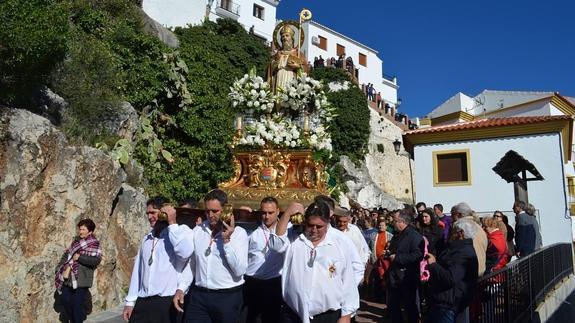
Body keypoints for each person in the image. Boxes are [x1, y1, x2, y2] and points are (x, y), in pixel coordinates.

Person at [168, 189, 248, 323]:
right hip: (199, 296)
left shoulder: (239, 234)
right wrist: (181, 288)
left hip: (227, 297)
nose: (210, 215)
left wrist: (226, 241)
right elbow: (192, 264)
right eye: (207, 211)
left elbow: (239, 270)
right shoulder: (198, 231)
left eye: (215, 211)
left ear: (226, 209)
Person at [277, 201, 360, 323]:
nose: (314, 230)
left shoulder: (339, 244)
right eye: (310, 225)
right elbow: (277, 244)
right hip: (294, 315)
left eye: (319, 226)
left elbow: (348, 281)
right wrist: (288, 213)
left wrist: (346, 315)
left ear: (327, 223)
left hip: (327, 317)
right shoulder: (294, 241)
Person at [123, 197, 186, 323]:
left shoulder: (178, 234)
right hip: (143, 300)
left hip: (166, 302)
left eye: (153, 213)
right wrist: (130, 301)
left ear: (164, 213)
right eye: (148, 213)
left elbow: (185, 253)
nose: (149, 216)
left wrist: (172, 222)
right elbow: (138, 271)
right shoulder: (146, 239)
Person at [424, 220, 479, 323]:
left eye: (453, 231)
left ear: (460, 233)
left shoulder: (462, 252)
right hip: (444, 300)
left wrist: (433, 265)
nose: (449, 233)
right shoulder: (458, 248)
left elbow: (450, 278)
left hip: (447, 303)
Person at [243, 197, 286, 323]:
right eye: (263, 212)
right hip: (251, 283)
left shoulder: (286, 231)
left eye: (270, 213)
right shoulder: (251, 230)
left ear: (278, 211)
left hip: (273, 284)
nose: (266, 216)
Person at [55, 218, 102, 323]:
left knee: (77, 306)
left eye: (83, 229)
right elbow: (67, 255)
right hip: (68, 276)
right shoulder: (76, 242)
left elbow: (96, 261)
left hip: (82, 279)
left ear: (90, 231)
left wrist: (80, 257)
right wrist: (59, 268)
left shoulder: (94, 244)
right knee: (64, 300)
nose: (81, 231)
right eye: (80, 229)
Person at [386, 210, 424, 323]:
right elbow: (394, 249)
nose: (393, 223)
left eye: (395, 221)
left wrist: (397, 258)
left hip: (407, 278)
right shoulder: (397, 235)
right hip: (395, 277)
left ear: (402, 222)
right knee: (394, 307)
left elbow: (418, 255)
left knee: (410, 308)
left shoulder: (414, 236)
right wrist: (388, 253)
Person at [450, 202, 487, 276]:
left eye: (452, 214)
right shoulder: (479, 227)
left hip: (467, 272)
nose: (451, 217)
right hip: (480, 270)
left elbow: (455, 248)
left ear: (458, 214)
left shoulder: (460, 227)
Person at [270, 25, 302, 93]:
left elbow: (305, 69)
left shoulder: (297, 53)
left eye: (287, 35)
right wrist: (276, 61)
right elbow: (270, 69)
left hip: (291, 76)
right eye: (283, 36)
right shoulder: (277, 54)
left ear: (292, 38)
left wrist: (297, 66)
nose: (284, 38)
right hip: (279, 76)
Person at [368, 218, 393, 303]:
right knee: (376, 279)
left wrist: (387, 252)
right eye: (379, 225)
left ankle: (385, 298)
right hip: (375, 261)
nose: (381, 227)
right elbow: (369, 247)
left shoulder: (390, 236)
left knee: (385, 279)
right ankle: (377, 297)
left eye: (383, 225)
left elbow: (392, 248)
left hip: (385, 262)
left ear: (386, 226)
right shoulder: (373, 235)